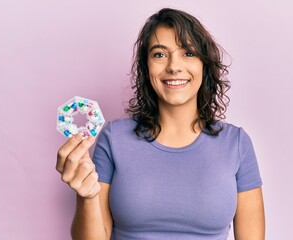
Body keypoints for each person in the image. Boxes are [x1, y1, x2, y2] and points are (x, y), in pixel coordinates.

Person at [56, 8, 265, 240]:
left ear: (204, 65)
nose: (174, 66)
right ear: (146, 68)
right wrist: (87, 197)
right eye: (159, 54)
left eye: (188, 53)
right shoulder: (114, 138)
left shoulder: (236, 144)